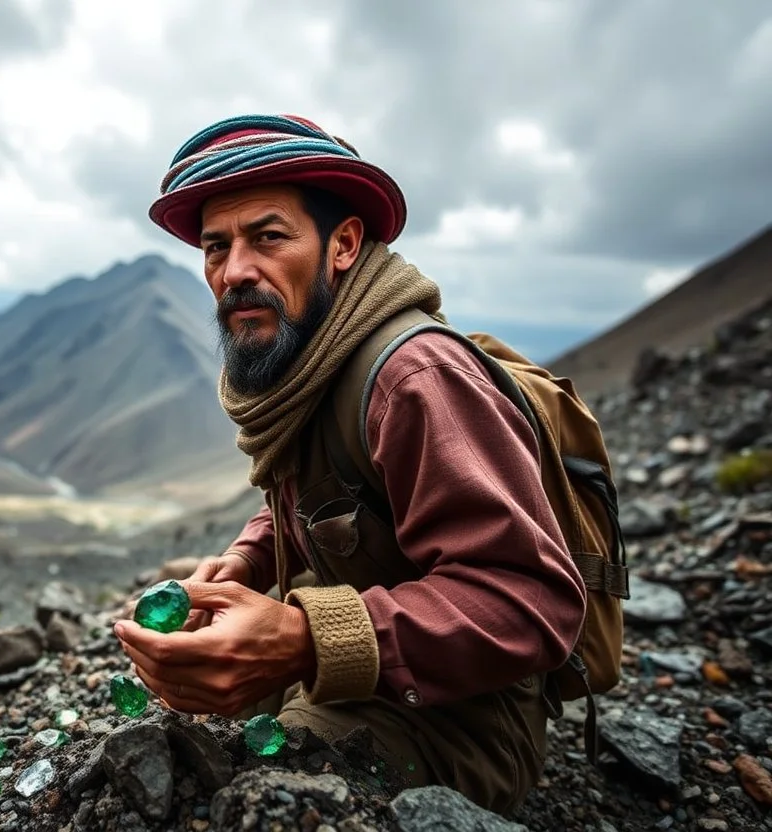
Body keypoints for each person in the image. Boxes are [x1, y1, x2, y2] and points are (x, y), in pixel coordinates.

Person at [113, 114, 588, 814]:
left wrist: (304, 637)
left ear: (342, 245)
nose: (235, 271)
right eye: (217, 246)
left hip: (461, 719)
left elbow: (532, 600)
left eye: (268, 237)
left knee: (270, 803)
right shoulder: (313, 355)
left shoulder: (414, 379)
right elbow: (320, 497)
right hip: (365, 669)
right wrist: (244, 564)